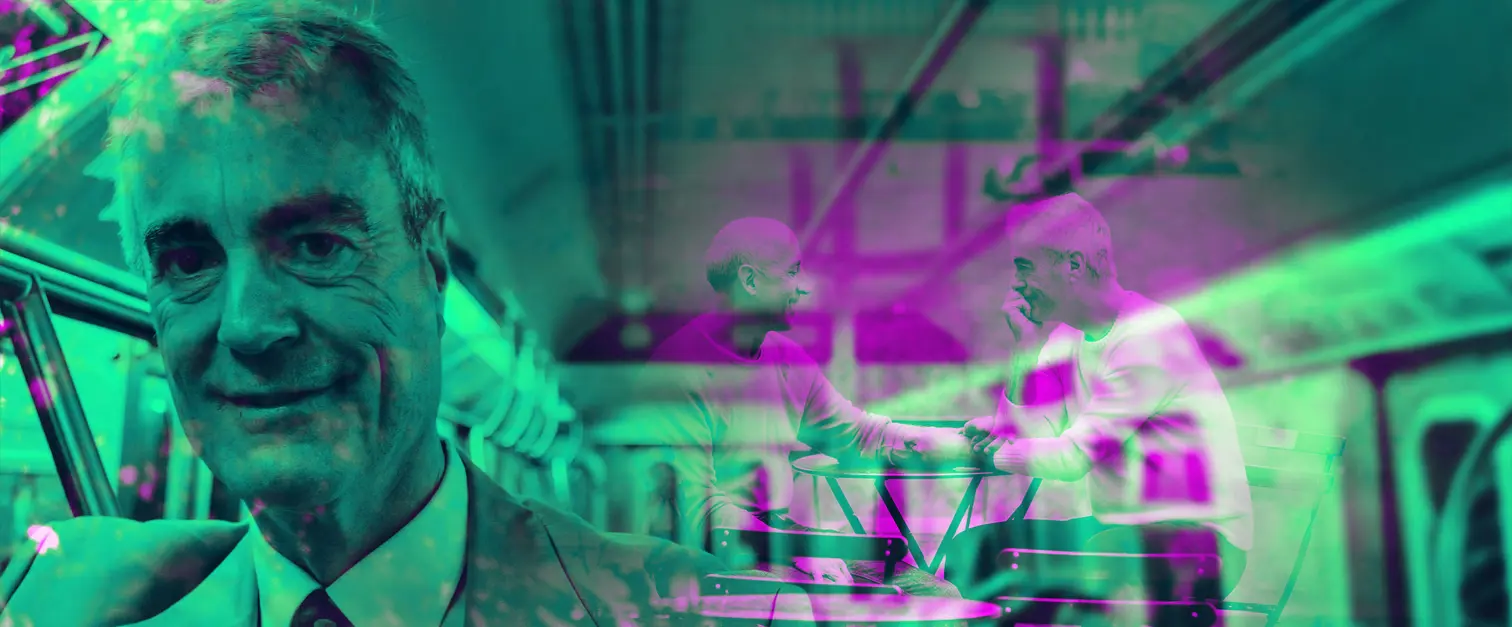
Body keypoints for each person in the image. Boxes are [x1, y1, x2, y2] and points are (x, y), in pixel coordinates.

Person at [0, 2, 803, 625]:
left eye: (316, 245)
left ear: (429, 268)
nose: (247, 324)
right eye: (187, 260)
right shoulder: (58, 595)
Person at [944, 193, 1254, 624]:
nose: (1016, 285)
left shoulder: (1145, 336)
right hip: (1124, 529)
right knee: (976, 549)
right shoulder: (1067, 338)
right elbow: (1037, 430)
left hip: (1196, 541)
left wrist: (992, 451)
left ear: (1072, 266)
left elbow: (1069, 459)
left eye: (1024, 267)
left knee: (1021, 565)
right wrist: (1024, 349)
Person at [644, 216, 976, 598]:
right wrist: (799, 550)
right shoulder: (677, 372)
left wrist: (952, 441)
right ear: (750, 281)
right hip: (712, 553)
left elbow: (857, 435)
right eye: (791, 273)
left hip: (778, 538)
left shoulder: (788, 360)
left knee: (934, 598)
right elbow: (698, 511)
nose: (801, 289)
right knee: (813, 607)